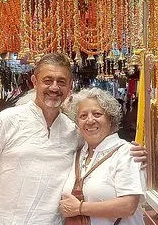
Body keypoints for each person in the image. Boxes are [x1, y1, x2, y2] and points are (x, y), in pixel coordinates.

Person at [0, 52, 146, 225]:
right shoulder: (7, 121)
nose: (54, 88)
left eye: (61, 82)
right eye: (48, 80)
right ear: (34, 82)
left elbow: (101, 149)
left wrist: (136, 154)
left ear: (70, 86)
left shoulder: (73, 131)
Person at [59, 88, 145, 225]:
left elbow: (128, 206)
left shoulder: (126, 153)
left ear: (110, 119)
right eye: (83, 116)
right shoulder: (78, 154)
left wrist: (79, 208)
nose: (90, 120)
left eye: (97, 114)